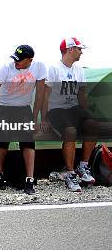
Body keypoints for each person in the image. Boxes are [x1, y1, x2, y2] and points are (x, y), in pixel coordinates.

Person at [43, 37, 97, 192]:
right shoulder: (53, 68)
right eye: (79, 49)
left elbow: (81, 94)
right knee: (70, 131)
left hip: (73, 109)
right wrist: (44, 118)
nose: (81, 52)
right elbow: (45, 95)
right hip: (57, 110)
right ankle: (70, 172)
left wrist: (86, 115)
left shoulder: (79, 69)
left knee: (92, 125)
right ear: (70, 49)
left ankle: (83, 166)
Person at [0, 44, 46, 195]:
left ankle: (29, 178)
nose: (16, 62)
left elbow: (40, 94)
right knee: (2, 139)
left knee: (28, 141)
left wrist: (35, 119)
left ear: (30, 60)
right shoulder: (6, 68)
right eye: (15, 59)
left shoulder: (39, 67)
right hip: (3, 106)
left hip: (23, 107)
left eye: (20, 60)